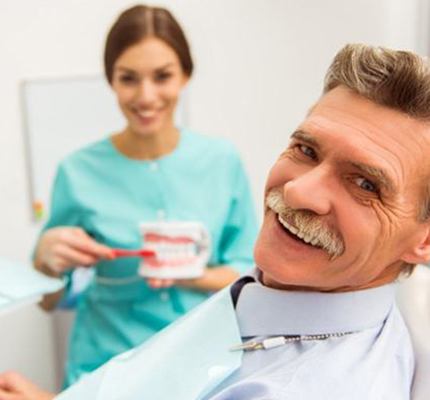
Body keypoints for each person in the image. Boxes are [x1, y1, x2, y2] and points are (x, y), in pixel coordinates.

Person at [1, 42, 429, 399]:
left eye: (365, 185)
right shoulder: (280, 289)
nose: (299, 191)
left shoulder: (310, 381)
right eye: (306, 150)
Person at [21, 3, 258, 390]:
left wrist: (190, 273)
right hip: (104, 369)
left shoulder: (221, 162)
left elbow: (249, 276)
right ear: (111, 80)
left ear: (185, 75)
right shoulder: (77, 171)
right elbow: (48, 302)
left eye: (162, 76)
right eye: (128, 78)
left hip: (200, 366)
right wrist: (46, 262)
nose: (146, 97)